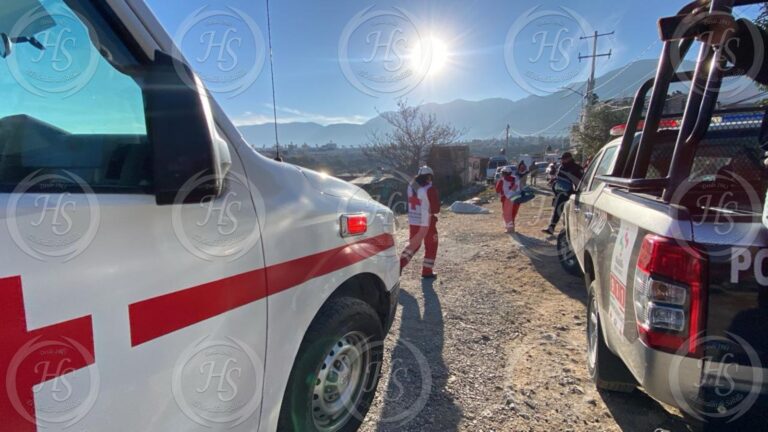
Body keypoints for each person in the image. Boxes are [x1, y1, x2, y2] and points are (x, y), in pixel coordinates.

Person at [400, 166, 440, 279]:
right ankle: (427, 271)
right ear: (428, 176)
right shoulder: (429, 189)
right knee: (432, 245)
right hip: (427, 221)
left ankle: (398, 265)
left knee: (414, 245)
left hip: (413, 220)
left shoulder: (410, 187)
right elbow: (435, 209)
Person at [542, 152, 583, 236]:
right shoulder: (561, 167)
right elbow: (558, 177)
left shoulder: (577, 168)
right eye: (562, 159)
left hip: (571, 194)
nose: (562, 160)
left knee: (569, 212)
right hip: (559, 192)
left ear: (570, 158)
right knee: (559, 210)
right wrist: (553, 181)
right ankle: (552, 228)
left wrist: (576, 192)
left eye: (564, 159)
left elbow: (580, 182)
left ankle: (568, 231)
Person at [495, 166, 521, 233]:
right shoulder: (516, 179)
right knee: (513, 213)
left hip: (506, 200)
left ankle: (510, 229)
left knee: (507, 214)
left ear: (503, 173)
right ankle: (512, 228)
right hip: (516, 199)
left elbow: (497, 190)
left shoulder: (502, 180)